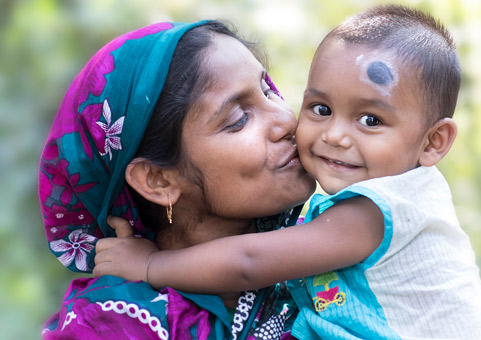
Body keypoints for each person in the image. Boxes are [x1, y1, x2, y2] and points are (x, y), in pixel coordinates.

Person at [95, 5, 481, 339]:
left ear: (433, 142)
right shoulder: (110, 324)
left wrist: (150, 267)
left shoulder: (377, 210)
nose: (335, 136)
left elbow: (248, 262)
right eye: (321, 110)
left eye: (371, 120)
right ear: (158, 179)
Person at [38, 20, 316, 339]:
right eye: (239, 120)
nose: (286, 120)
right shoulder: (112, 324)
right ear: (158, 180)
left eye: (268, 90)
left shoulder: (330, 240)